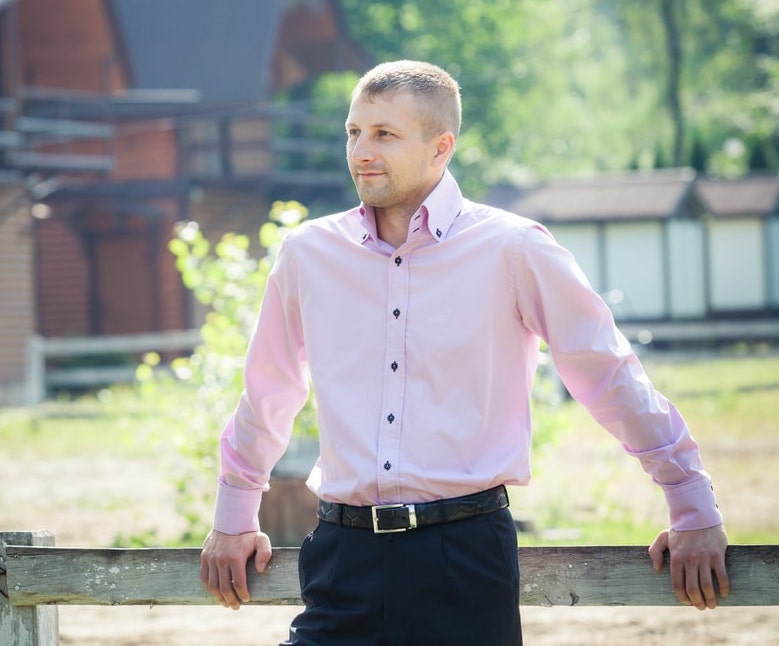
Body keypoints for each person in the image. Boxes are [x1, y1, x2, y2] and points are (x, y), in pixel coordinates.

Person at [200, 60, 729, 645]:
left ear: (440, 146)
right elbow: (269, 390)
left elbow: (607, 374)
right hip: (340, 555)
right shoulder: (307, 254)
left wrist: (689, 501)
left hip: (465, 556)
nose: (361, 152)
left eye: (384, 134)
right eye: (353, 132)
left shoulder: (514, 249)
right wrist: (234, 515)